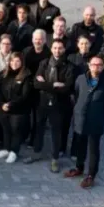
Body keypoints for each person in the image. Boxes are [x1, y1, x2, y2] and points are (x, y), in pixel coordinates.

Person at [65, 56, 104, 188]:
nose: (96, 67)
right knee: (80, 145)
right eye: (94, 64)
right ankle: (79, 168)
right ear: (89, 65)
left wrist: (102, 116)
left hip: (96, 120)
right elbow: (76, 94)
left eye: (99, 65)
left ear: (103, 67)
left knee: (93, 149)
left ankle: (91, 175)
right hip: (80, 118)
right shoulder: (81, 79)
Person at [25, 39, 74, 171]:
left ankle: (55, 159)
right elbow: (36, 84)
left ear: (64, 49)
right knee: (39, 127)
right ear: (51, 49)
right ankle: (36, 153)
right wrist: (54, 85)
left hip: (59, 103)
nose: (57, 50)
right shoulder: (44, 63)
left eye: (60, 48)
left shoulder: (69, 66)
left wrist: (45, 84)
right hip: (42, 101)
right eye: (55, 48)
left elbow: (67, 88)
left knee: (56, 131)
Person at [0, 52, 32, 164]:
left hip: (18, 109)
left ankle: (14, 151)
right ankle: (6, 148)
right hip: (3, 107)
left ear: (22, 62)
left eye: (17, 61)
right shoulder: (3, 74)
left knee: (16, 130)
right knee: (6, 129)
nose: (14, 63)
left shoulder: (26, 75)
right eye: (12, 61)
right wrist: (2, 103)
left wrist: (10, 104)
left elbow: (24, 95)